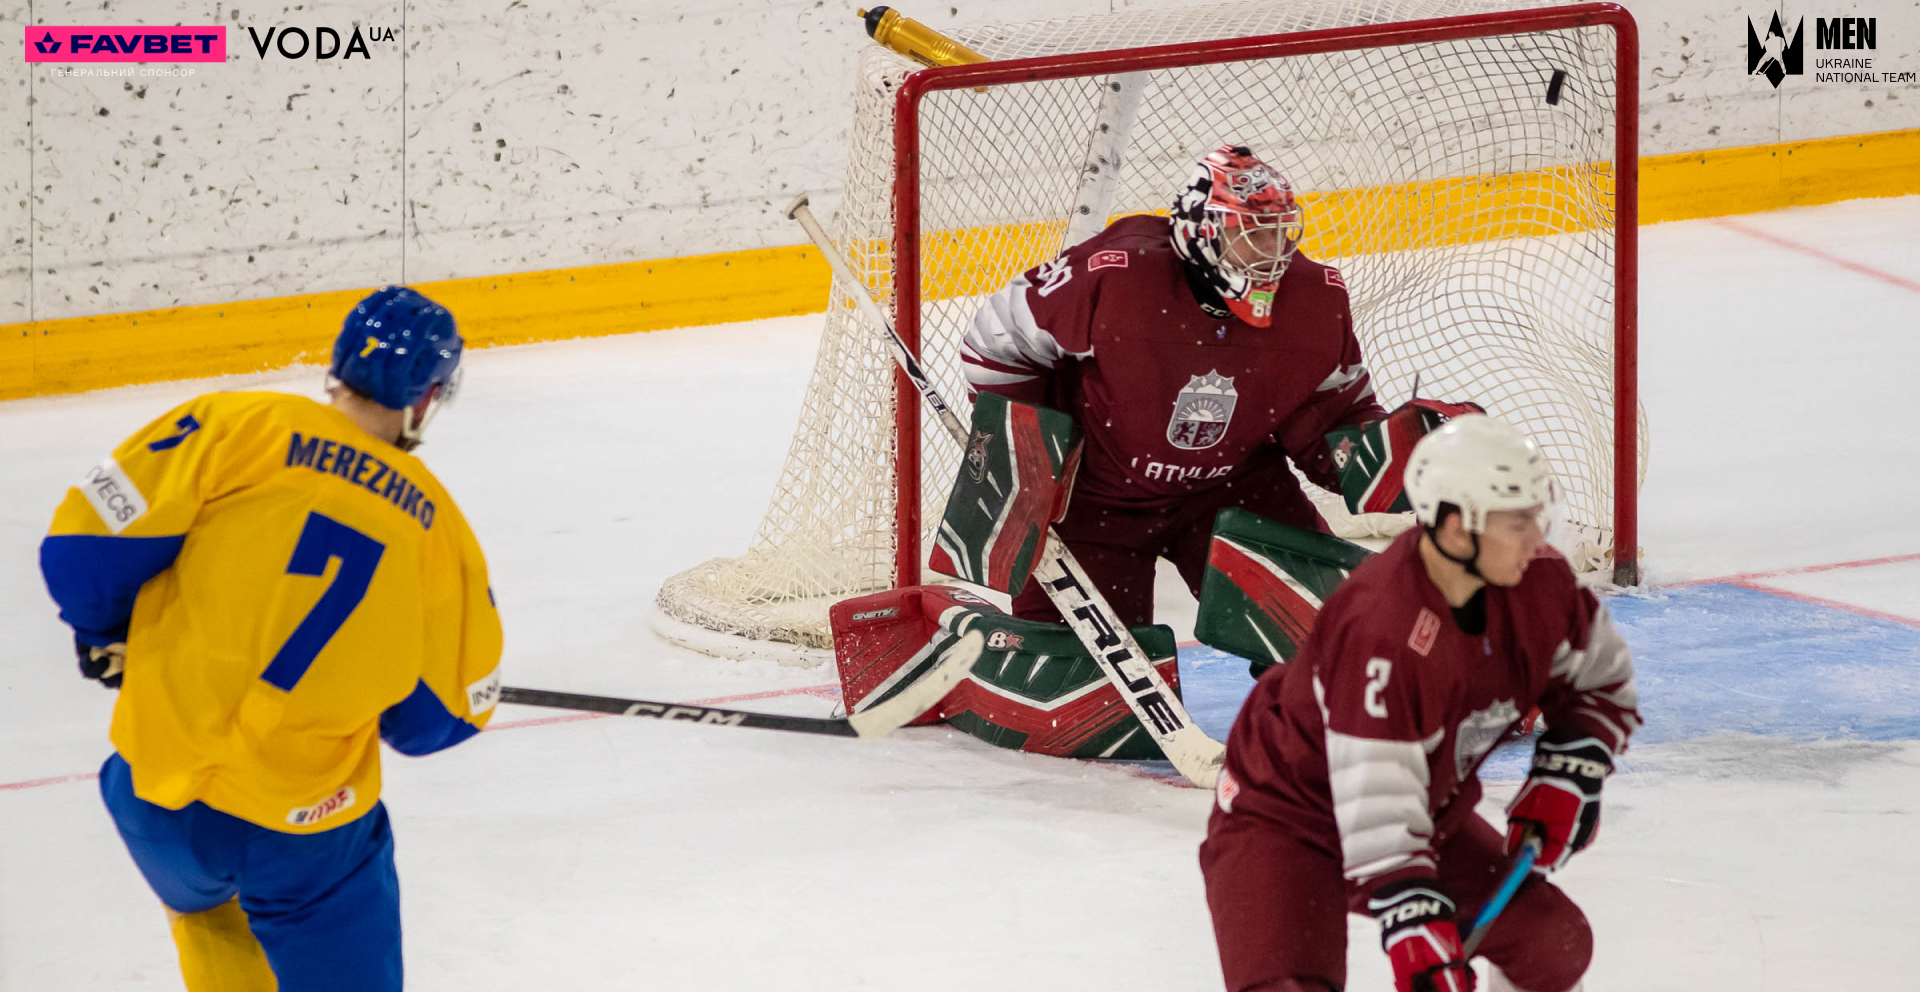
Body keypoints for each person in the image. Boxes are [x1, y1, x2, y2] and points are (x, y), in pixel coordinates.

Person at [39, 286, 502, 992]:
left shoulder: (234, 423)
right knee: (341, 872)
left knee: (203, 908)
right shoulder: (437, 529)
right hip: (301, 829)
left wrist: (106, 632)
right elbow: (439, 720)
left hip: (154, 800)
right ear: (426, 396)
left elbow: (81, 555)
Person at [1198, 414, 1641, 992]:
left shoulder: (1540, 584)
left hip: (1420, 809)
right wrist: (1413, 916)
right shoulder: (1381, 629)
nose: (1538, 536)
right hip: (1287, 818)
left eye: (1538, 513)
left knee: (1550, 940)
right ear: (1457, 530)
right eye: (1517, 521)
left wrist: (1571, 762)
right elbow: (1375, 794)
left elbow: (1601, 680)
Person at [960, 143, 1389, 627]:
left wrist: (1385, 459)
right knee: (1085, 682)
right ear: (1197, 233)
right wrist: (1030, 456)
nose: (1271, 254)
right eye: (1248, 236)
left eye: (1277, 234)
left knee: (1332, 634)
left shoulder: (1316, 300)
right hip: (1093, 501)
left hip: (1231, 490)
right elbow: (995, 340)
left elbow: (1334, 416)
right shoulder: (1117, 275)